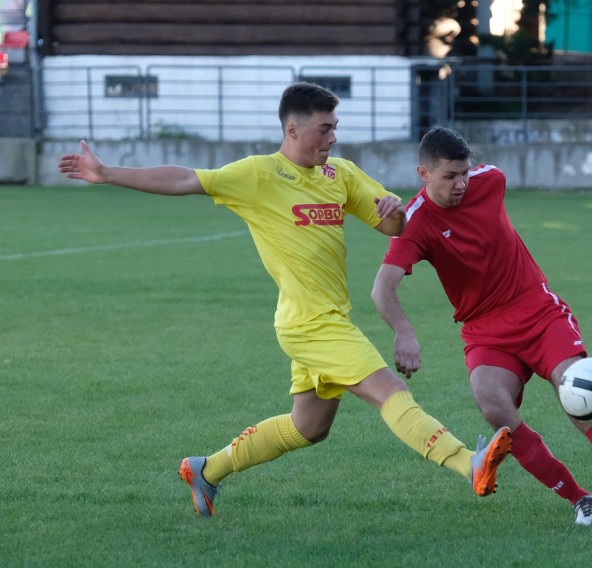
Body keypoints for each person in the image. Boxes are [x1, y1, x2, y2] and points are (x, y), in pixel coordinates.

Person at [57, 84, 512, 517]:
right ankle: (465, 463)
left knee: (309, 428)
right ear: (292, 130)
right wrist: (107, 173)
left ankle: (205, 470)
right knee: (390, 391)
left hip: (323, 317)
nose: (333, 137)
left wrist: (393, 214)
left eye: (335, 127)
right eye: (324, 129)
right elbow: (183, 179)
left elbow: (391, 227)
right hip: (310, 324)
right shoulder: (257, 175)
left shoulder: (342, 174)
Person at [371, 127, 592, 530]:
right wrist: (403, 331)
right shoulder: (416, 222)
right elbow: (382, 287)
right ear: (423, 173)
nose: (460, 184)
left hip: (538, 312)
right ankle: (580, 499)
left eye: (464, 173)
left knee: (577, 395)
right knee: (492, 404)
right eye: (449, 176)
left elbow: (481, 184)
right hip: (484, 331)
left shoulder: (490, 180)